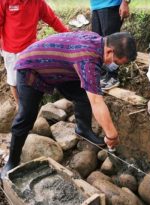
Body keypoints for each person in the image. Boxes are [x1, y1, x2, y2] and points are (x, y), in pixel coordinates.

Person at [0, 31, 137, 179]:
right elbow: (97, 102)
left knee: (84, 93)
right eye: (115, 61)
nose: (112, 65)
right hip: (31, 68)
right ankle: (12, 161)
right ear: (110, 50)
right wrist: (112, 135)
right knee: (26, 116)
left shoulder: (97, 41)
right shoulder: (88, 59)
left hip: (60, 70)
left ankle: (83, 129)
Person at [0, 0, 69, 109]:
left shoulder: (38, 2)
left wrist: (68, 34)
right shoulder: (5, 1)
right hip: (10, 49)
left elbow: (52, 19)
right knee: (14, 80)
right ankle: (20, 107)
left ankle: (31, 107)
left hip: (30, 48)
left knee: (32, 79)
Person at [90, 0, 131, 90]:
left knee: (111, 43)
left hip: (111, 4)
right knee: (98, 43)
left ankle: (113, 77)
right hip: (95, 6)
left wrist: (125, 2)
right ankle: (104, 75)